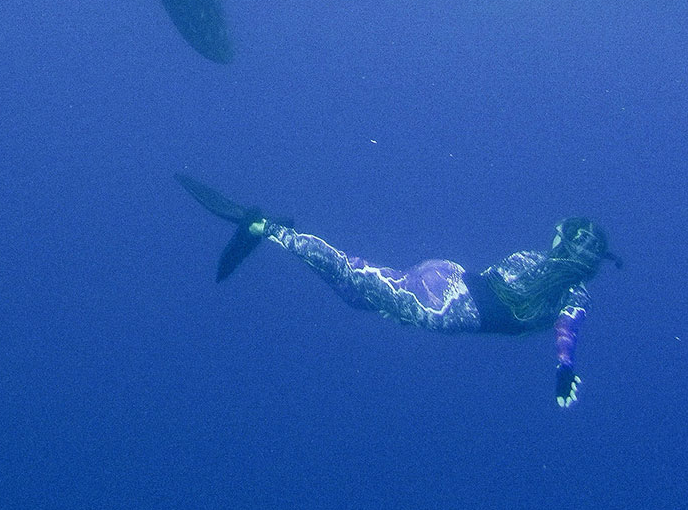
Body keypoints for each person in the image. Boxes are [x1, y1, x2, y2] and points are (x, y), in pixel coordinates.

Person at [176, 173, 619, 408]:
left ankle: (280, 234)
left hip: (447, 281)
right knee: (352, 274)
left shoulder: (532, 260)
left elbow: (497, 285)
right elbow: (567, 328)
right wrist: (564, 368)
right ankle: (265, 228)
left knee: (356, 293)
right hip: (442, 309)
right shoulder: (573, 293)